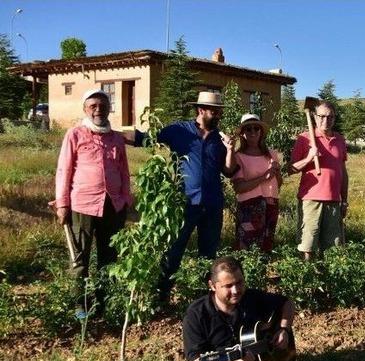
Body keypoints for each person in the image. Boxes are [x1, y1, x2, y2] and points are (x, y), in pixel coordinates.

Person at [132, 91, 237, 300]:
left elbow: (229, 171)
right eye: (214, 111)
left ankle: (203, 298)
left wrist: (231, 149)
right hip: (185, 202)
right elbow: (145, 138)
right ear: (200, 110)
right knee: (174, 250)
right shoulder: (180, 130)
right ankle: (161, 294)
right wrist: (107, 132)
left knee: (208, 253)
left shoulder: (220, 139)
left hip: (212, 203)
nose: (218, 115)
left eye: (219, 112)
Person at [54, 89, 132, 319]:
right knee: (80, 258)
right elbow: (63, 170)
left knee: (109, 256)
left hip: (113, 205)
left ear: (110, 108)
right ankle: (81, 305)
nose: (98, 109)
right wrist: (62, 204)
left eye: (103, 105)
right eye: (93, 106)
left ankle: (105, 301)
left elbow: (124, 171)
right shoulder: (75, 134)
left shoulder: (116, 138)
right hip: (82, 205)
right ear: (85, 109)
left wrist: (126, 199)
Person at [290, 101, 349, 260]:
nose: (326, 120)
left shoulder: (340, 140)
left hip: (334, 200)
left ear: (334, 118)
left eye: (330, 117)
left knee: (333, 247)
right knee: (308, 245)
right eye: (322, 116)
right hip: (311, 199)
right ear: (315, 117)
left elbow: (342, 172)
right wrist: (309, 158)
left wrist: (344, 200)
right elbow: (291, 169)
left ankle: (327, 281)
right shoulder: (305, 138)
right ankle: (308, 281)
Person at [229, 114, 282, 252]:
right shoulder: (238, 156)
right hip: (249, 206)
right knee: (247, 247)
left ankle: (262, 273)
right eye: (248, 129)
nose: (253, 132)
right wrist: (264, 177)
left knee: (267, 246)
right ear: (242, 133)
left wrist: (276, 172)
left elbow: (279, 183)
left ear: (261, 132)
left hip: (271, 203)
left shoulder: (272, 154)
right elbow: (239, 187)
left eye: (256, 128)